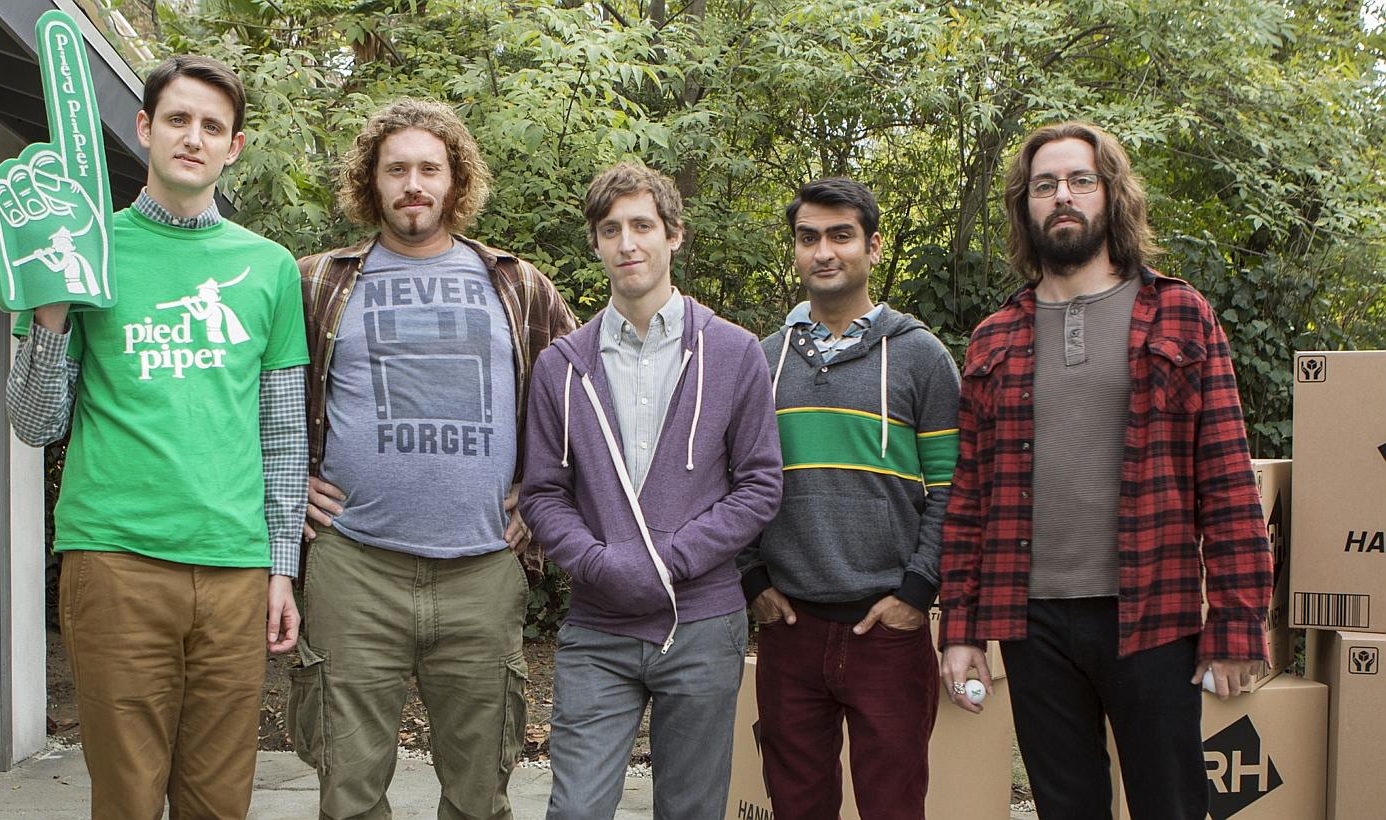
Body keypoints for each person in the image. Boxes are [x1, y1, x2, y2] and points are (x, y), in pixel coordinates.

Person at [937, 121, 1272, 820]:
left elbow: (1227, 481)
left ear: (1110, 195)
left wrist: (1237, 623)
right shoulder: (994, 337)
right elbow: (969, 498)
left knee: (1170, 806)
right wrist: (961, 628)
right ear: (1025, 206)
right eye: (1045, 185)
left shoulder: (1181, 314)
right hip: (1030, 622)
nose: (1063, 195)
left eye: (1080, 180)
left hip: (1153, 615)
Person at [6, 54, 308, 819]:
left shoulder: (269, 268)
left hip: (235, 568)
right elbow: (35, 423)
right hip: (116, 559)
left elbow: (281, 434)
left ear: (235, 146)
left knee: (219, 801)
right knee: (128, 798)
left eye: (212, 126)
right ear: (145, 128)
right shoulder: (81, 250)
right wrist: (51, 310)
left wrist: (281, 567)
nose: (193, 138)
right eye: (177, 119)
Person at [288, 98, 576, 820]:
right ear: (371, 181)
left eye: (429, 169)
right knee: (348, 793)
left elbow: (581, 401)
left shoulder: (518, 284)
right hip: (353, 568)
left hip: (483, 569)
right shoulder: (316, 282)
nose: (413, 185)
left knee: (480, 796)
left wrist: (546, 496)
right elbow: (259, 398)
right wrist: (287, 482)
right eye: (396, 170)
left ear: (456, 180)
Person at [520, 162, 782, 819]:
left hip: (702, 626)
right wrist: (599, 563)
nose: (627, 243)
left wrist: (670, 559)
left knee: (691, 810)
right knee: (576, 810)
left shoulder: (734, 352)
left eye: (642, 226)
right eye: (611, 229)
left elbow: (759, 485)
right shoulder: (561, 366)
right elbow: (543, 494)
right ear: (595, 242)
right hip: (598, 627)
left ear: (674, 235)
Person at [736, 177, 960, 820]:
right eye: (808, 238)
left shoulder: (921, 358)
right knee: (797, 806)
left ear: (873, 247)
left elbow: (952, 488)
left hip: (887, 631)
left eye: (841, 236)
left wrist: (918, 591)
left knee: (894, 806)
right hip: (790, 629)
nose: (824, 251)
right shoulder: (761, 360)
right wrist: (752, 579)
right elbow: (733, 482)